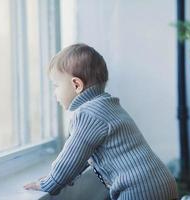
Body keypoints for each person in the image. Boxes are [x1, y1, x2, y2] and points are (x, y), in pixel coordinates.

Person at [24, 43, 178, 200]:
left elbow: (71, 158)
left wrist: (50, 183)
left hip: (139, 190)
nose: (54, 93)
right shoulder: (107, 105)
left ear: (76, 85)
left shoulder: (88, 114)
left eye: (56, 85)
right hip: (159, 182)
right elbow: (81, 156)